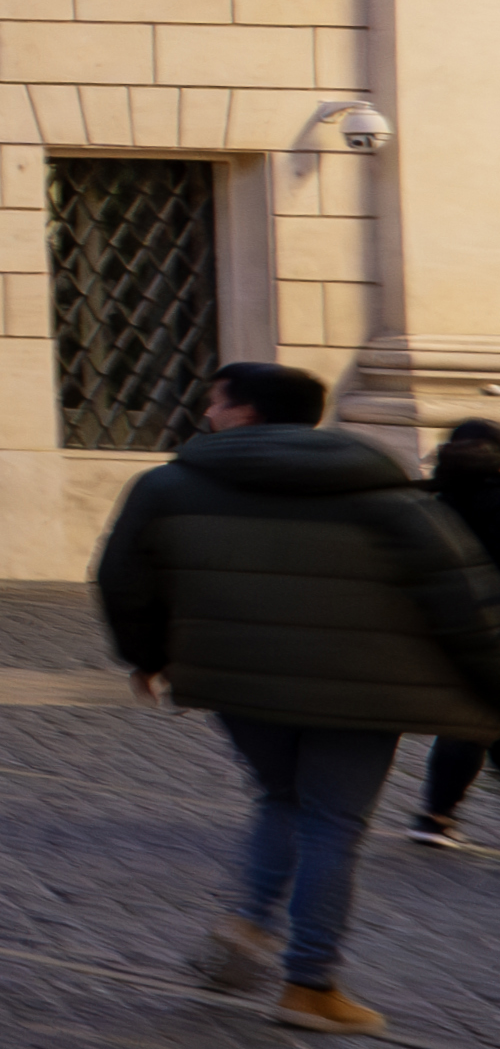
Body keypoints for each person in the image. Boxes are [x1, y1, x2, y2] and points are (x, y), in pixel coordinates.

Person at [93, 352, 500, 1036]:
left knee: (280, 797)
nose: (207, 414)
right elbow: (463, 600)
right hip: (365, 689)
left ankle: (252, 923)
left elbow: (120, 578)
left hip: (237, 679)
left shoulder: (165, 487)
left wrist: (147, 656)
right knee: (333, 823)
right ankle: (310, 983)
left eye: (217, 402)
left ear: (246, 412)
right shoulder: (388, 494)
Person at [424, 406, 500, 854]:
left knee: (467, 723)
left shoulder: (436, 501)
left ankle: (436, 813)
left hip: (453, 626)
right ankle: (435, 814)